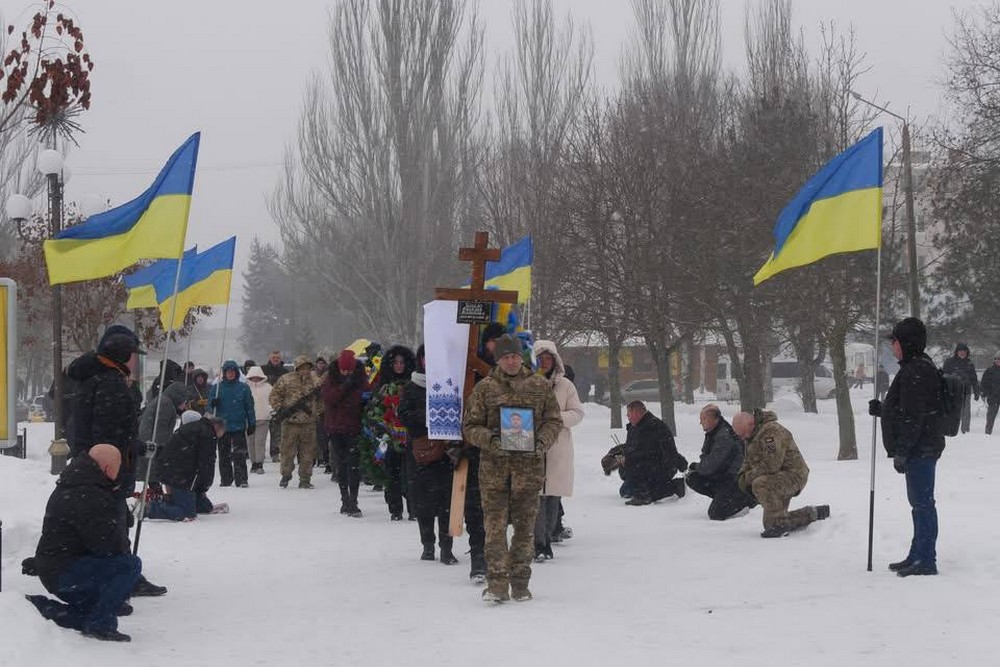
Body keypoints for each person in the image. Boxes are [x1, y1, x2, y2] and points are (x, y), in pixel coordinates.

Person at [66, 324, 166, 597]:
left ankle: (119, 575)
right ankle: (122, 578)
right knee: (112, 523)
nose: (136, 360)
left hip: (90, 465)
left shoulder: (93, 378)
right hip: (105, 468)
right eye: (135, 354)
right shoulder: (110, 383)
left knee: (107, 523)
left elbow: (98, 431)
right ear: (123, 354)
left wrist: (137, 446)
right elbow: (108, 436)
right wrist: (115, 467)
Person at [463, 334, 563, 603]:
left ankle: (520, 584)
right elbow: (470, 427)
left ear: (522, 357)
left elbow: (554, 421)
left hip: (528, 471)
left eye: (515, 356)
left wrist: (541, 441)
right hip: (494, 472)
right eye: (506, 357)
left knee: (524, 530)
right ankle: (496, 584)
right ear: (498, 360)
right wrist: (492, 440)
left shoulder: (539, 386)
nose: (511, 361)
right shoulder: (485, 389)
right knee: (494, 529)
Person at [26, 444, 142, 642]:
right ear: (107, 468)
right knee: (130, 565)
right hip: (65, 572)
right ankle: (101, 624)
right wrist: (117, 517)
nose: (120, 470)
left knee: (91, 611)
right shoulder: (89, 493)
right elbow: (106, 545)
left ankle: (43, 607)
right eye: (119, 465)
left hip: (57, 568)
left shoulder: (77, 482)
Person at [868, 317, 945, 576]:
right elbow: (906, 409)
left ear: (907, 343)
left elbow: (914, 417)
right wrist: (884, 410)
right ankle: (917, 554)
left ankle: (926, 559)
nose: (893, 347)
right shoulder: (915, 367)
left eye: (896, 342)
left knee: (923, 504)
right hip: (921, 447)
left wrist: (902, 451)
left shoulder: (916, 371)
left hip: (921, 449)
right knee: (919, 504)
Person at [398, 345, 457, 563]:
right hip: (420, 451)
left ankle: (447, 547)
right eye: (425, 357)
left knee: (446, 503)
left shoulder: (449, 383)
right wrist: (428, 417)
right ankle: (428, 544)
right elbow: (403, 415)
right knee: (422, 502)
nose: (428, 362)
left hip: (446, 451)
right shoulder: (411, 387)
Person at [733, 410, 828, 538]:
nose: (742, 438)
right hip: (777, 476)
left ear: (751, 424)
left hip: (794, 475)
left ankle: (780, 526)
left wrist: (748, 478)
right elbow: (747, 461)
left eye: (743, 434)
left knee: (760, 484)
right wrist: (741, 476)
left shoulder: (771, 432)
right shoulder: (751, 435)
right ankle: (813, 513)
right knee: (771, 523)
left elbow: (771, 465)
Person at [531, 340, 584, 562]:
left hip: (557, 447)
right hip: (532, 446)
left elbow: (577, 413)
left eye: (548, 359)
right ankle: (538, 543)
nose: (545, 363)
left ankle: (549, 535)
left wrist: (555, 419)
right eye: (540, 359)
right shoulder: (527, 384)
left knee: (552, 497)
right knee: (536, 498)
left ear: (555, 360)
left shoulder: (565, 386)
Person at [364, 345, 416, 520]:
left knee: (411, 475)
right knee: (392, 475)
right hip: (390, 436)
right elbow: (373, 411)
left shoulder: (414, 386)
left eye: (402, 362)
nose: (399, 366)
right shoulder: (384, 388)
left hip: (411, 438)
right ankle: (395, 509)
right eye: (396, 362)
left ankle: (413, 508)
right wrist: (383, 427)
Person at [144, 412, 225, 521]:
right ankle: (151, 509)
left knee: (190, 490)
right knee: (188, 514)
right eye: (222, 433)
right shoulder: (208, 435)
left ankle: (196, 505)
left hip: (170, 466)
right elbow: (206, 463)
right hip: (178, 473)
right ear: (217, 427)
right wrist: (205, 485)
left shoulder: (196, 427)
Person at [322, 350, 371, 516]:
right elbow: (329, 399)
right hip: (336, 428)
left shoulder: (361, 379)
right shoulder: (330, 379)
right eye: (343, 371)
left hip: (354, 428)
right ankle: (345, 499)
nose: (346, 373)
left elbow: (366, 399)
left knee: (354, 465)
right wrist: (345, 386)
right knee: (341, 465)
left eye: (348, 371)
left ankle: (354, 499)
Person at [685, 404, 754, 520]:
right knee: (692, 477)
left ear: (713, 419)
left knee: (716, 513)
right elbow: (707, 460)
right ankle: (722, 497)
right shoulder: (714, 432)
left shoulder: (724, 436)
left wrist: (697, 466)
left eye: (703, 419)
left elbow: (711, 466)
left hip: (734, 479)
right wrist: (698, 467)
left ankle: (747, 500)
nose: (701, 423)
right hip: (722, 475)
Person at [270, 355, 323, 489]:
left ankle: (305, 479)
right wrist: (281, 409)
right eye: (302, 368)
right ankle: (286, 475)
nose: (305, 370)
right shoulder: (286, 380)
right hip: (290, 423)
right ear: (297, 368)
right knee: (287, 452)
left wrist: (318, 412)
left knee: (308, 453)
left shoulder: (316, 381)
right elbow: (274, 395)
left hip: (309, 423)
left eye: (307, 368)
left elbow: (322, 399)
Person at [621, 401, 687, 505]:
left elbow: (647, 453)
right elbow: (631, 447)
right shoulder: (636, 427)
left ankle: (668, 488)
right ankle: (649, 489)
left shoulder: (652, 427)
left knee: (647, 490)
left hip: (660, 467)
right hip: (650, 466)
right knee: (625, 491)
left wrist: (628, 459)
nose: (627, 417)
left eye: (629, 414)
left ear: (636, 413)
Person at [211, 360, 256, 488]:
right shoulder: (217, 388)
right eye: (228, 371)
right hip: (222, 426)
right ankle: (226, 479)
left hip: (238, 425)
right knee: (223, 454)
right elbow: (209, 408)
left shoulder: (243, 388)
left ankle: (241, 479)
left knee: (240, 454)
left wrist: (251, 423)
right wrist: (212, 404)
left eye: (233, 371)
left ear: (236, 372)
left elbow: (249, 407)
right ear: (224, 373)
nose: (230, 374)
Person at [943, 343, 981, 434]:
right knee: (952, 410)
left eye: (964, 351)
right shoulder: (949, 362)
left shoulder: (969, 363)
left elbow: (974, 379)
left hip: (966, 391)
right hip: (952, 391)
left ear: (967, 352)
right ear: (956, 352)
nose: (962, 353)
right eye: (960, 351)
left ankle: (965, 430)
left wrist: (976, 391)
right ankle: (950, 428)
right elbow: (944, 376)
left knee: (966, 412)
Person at [261, 351, 289, 462]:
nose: (275, 359)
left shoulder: (285, 372)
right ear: (270, 358)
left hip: (278, 404)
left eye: (277, 357)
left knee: (277, 431)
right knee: (262, 432)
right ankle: (260, 454)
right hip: (263, 403)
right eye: (273, 357)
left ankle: (275, 453)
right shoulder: (263, 370)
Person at [245, 366, 273, 474]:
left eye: (257, 377)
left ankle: (260, 463)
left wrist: (270, 411)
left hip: (263, 419)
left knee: (260, 442)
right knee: (250, 442)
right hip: (248, 420)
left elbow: (273, 400)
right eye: (253, 377)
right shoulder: (245, 387)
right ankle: (253, 463)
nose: (255, 379)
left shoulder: (268, 387)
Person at [982, 353, 1000, 435]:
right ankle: (988, 432)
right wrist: (984, 393)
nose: (998, 361)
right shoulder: (989, 371)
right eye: (996, 359)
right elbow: (984, 383)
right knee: (990, 416)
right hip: (993, 397)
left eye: (999, 359)